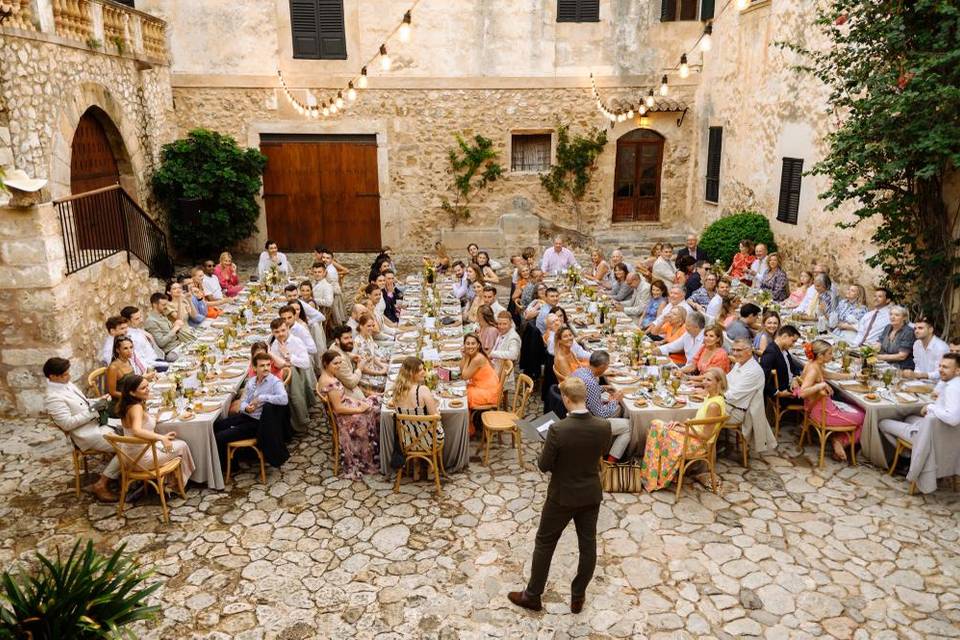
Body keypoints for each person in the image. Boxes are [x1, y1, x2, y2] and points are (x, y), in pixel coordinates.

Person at [507, 376, 611, 614]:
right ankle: (578, 597)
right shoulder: (603, 426)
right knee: (588, 545)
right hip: (590, 494)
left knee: (545, 542)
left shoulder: (557, 429)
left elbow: (544, 465)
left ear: (565, 398)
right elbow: (600, 451)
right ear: (584, 397)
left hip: (562, 495)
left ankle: (533, 595)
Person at [879, 353, 960, 493]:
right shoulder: (952, 383)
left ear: (957, 371)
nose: (940, 369)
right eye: (940, 366)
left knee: (883, 422)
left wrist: (931, 407)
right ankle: (912, 454)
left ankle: (908, 456)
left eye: (945, 367)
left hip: (930, 438)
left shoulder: (953, 388)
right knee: (909, 416)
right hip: (949, 438)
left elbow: (953, 419)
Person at [640, 367, 728, 492]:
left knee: (657, 426)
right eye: (704, 379)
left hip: (698, 444)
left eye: (709, 380)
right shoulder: (711, 397)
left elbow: (705, 435)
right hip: (693, 435)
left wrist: (682, 429)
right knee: (658, 426)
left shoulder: (714, 405)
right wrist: (680, 425)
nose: (704, 382)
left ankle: (654, 477)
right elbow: (699, 425)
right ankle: (654, 474)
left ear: (719, 383)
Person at [43, 357, 119, 502]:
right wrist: (94, 411)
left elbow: (82, 403)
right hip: (86, 434)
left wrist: (98, 401)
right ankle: (101, 484)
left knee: (131, 429)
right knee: (129, 445)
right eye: (64, 374)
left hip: (96, 424)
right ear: (52, 377)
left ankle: (129, 472)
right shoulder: (53, 397)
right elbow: (67, 424)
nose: (69, 376)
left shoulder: (66, 383)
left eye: (67, 373)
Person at [116, 374, 195, 487]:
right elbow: (137, 430)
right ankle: (178, 484)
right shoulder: (136, 408)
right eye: (143, 388)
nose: (148, 389)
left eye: (147, 386)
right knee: (182, 445)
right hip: (142, 460)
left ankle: (172, 481)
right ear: (132, 393)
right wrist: (161, 437)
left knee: (173, 442)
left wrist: (162, 436)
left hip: (131, 457)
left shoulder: (127, 405)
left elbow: (139, 429)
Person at [213, 352, 288, 468]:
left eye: (268, 365)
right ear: (254, 368)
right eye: (262, 366)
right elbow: (243, 402)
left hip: (258, 424)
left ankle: (230, 468)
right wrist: (246, 408)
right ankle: (227, 462)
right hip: (246, 416)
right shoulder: (252, 381)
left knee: (220, 436)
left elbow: (284, 399)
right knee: (215, 426)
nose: (266, 368)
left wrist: (261, 398)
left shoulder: (274, 383)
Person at [317, 350, 380, 479]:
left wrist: (359, 402)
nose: (339, 366)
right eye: (335, 363)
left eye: (340, 362)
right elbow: (339, 408)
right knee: (372, 413)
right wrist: (360, 409)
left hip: (347, 405)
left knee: (375, 401)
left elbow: (343, 396)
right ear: (325, 363)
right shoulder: (328, 382)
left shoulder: (331, 375)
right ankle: (371, 454)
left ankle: (379, 448)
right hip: (343, 417)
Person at [797, 340, 864, 461]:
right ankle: (840, 441)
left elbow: (829, 375)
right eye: (829, 353)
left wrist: (854, 376)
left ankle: (839, 439)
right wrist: (820, 386)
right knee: (866, 417)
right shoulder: (813, 370)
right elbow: (802, 392)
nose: (832, 356)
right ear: (821, 356)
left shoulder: (813, 364)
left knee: (857, 407)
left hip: (819, 408)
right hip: (824, 414)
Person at [570, 351, 632, 462]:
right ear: (602, 366)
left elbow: (587, 391)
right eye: (607, 365)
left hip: (576, 415)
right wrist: (615, 400)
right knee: (631, 426)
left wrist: (603, 388)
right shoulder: (591, 383)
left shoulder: (580, 371)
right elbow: (601, 414)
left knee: (618, 409)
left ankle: (606, 446)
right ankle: (610, 462)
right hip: (588, 423)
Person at [725, 338, 778, 454]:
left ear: (749, 351)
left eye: (738, 350)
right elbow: (726, 382)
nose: (734, 353)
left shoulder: (753, 371)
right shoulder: (740, 364)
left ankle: (705, 449)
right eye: (733, 350)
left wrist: (714, 392)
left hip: (737, 412)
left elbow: (732, 396)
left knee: (704, 412)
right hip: (728, 404)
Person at [268, 318, 315, 433]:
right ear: (273, 333)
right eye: (277, 332)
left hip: (298, 375)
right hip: (281, 375)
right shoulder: (274, 344)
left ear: (288, 328)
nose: (280, 334)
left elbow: (306, 363)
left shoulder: (296, 342)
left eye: (283, 330)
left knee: (292, 378)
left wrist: (288, 356)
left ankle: (300, 421)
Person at [392, 356, 445, 452]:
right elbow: (435, 417)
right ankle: (432, 463)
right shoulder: (422, 390)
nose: (424, 372)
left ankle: (416, 462)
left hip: (407, 442)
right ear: (411, 373)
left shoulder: (396, 391)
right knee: (439, 422)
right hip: (429, 441)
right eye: (420, 370)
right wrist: (437, 406)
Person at [106, 336, 155, 412]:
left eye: (131, 347)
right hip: (121, 405)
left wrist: (144, 377)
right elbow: (112, 392)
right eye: (125, 348)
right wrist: (133, 396)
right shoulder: (113, 367)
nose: (130, 351)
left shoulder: (128, 361)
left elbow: (130, 381)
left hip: (133, 399)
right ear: (117, 350)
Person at [760, 325, 802, 400]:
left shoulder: (784, 349)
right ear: (784, 336)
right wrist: (777, 393)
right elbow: (761, 378)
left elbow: (794, 368)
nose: (793, 345)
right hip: (784, 394)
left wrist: (794, 379)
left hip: (791, 386)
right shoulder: (771, 352)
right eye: (793, 341)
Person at [461, 334, 500, 413]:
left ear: (478, 345)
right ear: (464, 345)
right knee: (462, 391)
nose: (470, 346)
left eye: (473, 343)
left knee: (463, 397)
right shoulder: (472, 355)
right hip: (481, 385)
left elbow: (464, 376)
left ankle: (469, 423)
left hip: (488, 391)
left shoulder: (477, 359)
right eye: (467, 343)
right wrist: (464, 356)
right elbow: (462, 369)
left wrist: (467, 357)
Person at [329, 326, 368, 401]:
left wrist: (351, 356)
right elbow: (351, 383)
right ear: (337, 340)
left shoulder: (334, 346)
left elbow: (341, 352)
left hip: (347, 385)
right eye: (346, 338)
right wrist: (359, 368)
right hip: (345, 394)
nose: (350, 340)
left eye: (351, 337)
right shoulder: (340, 361)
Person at [872, 305, 915, 370]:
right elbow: (880, 342)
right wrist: (870, 351)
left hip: (901, 367)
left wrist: (879, 357)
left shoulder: (908, 332)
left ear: (904, 318)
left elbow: (902, 356)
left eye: (897, 315)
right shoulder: (888, 327)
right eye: (891, 314)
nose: (892, 317)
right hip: (885, 363)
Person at [144, 293, 184, 361]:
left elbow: (169, 332)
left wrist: (176, 326)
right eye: (163, 305)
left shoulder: (162, 315)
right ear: (155, 305)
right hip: (170, 352)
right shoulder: (151, 321)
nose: (166, 307)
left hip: (178, 345)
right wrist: (174, 329)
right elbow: (161, 343)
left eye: (166, 304)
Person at [354, 314, 389, 381]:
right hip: (366, 376)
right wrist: (379, 372)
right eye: (368, 326)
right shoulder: (358, 343)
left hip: (374, 369)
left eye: (373, 326)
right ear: (361, 326)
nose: (372, 328)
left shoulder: (369, 337)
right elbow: (363, 369)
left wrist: (383, 366)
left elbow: (373, 357)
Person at [489, 311, 522, 380]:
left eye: (504, 324)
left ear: (511, 323)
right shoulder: (503, 332)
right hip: (495, 366)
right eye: (499, 324)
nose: (501, 327)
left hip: (505, 375)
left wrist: (493, 354)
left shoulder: (513, 337)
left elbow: (513, 355)